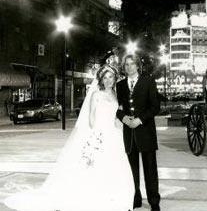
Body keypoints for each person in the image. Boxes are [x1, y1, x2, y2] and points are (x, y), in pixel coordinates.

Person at [4, 64, 134, 211]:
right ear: (101, 79)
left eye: (111, 77)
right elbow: (91, 118)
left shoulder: (115, 95)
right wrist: (97, 135)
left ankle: (113, 195)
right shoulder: (96, 94)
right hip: (100, 133)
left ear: (115, 78)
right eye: (105, 77)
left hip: (113, 134)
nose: (108, 80)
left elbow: (116, 115)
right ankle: (95, 196)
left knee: (114, 165)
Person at [116, 54, 161, 211]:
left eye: (132, 64)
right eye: (126, 64)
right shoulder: (120, 85)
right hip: (129, 134)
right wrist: (123, 118)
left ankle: (154, 201)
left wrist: (140, 119)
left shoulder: (148, 81)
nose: (129, 67)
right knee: (132, 169)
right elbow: (117, 108)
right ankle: (136, 198)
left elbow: (155, 107)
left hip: (146, 132)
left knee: (150, 169)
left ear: (137, 66)